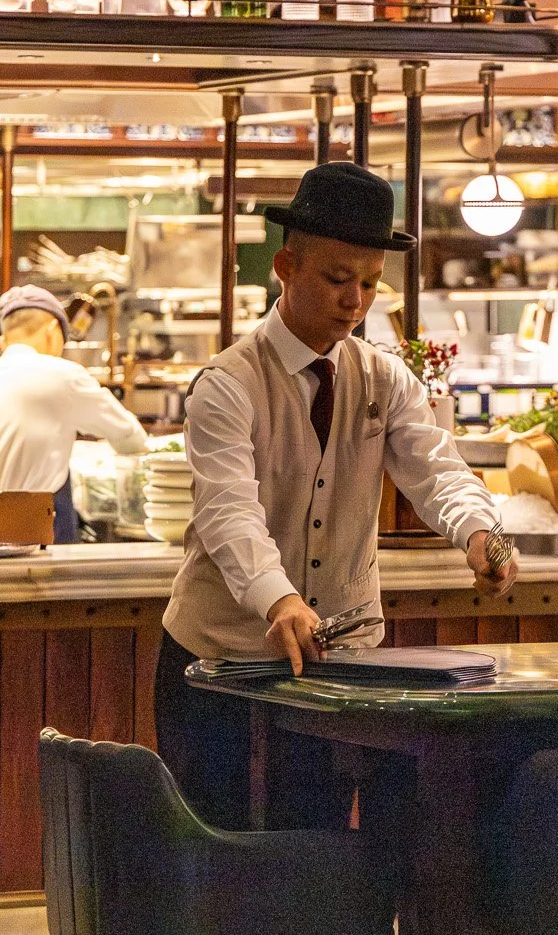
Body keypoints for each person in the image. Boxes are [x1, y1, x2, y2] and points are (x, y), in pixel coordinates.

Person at [155, 161, 518, 830]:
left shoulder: (385, 378)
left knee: (318, 850)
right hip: (220, 664)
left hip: (340, 666)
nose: (355, 300)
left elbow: (438, 472)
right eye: (337, 278)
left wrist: (481, 533)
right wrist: (279, 596)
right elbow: (229, 510)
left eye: (370, 284)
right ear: (286, 268)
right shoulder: (228, 384)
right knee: (219, 858)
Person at [0, 283, 147, 542]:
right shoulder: (62, 374)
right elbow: (132, 439)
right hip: (30, 538)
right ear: (53, 330)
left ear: (3, 341)